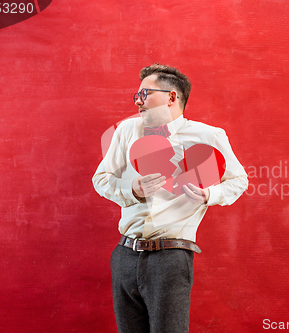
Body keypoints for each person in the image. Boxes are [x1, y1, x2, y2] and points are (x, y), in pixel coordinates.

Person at [92, 63, 248, 333]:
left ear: (171, 97)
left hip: (171, 257)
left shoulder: (208, 136)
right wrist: (133, 189)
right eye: (136, 96)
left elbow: (238, 180)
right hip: (124, 255)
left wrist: (208, 194)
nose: (138, 101)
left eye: (145, 94)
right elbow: (101, 178)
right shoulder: (127, 131)